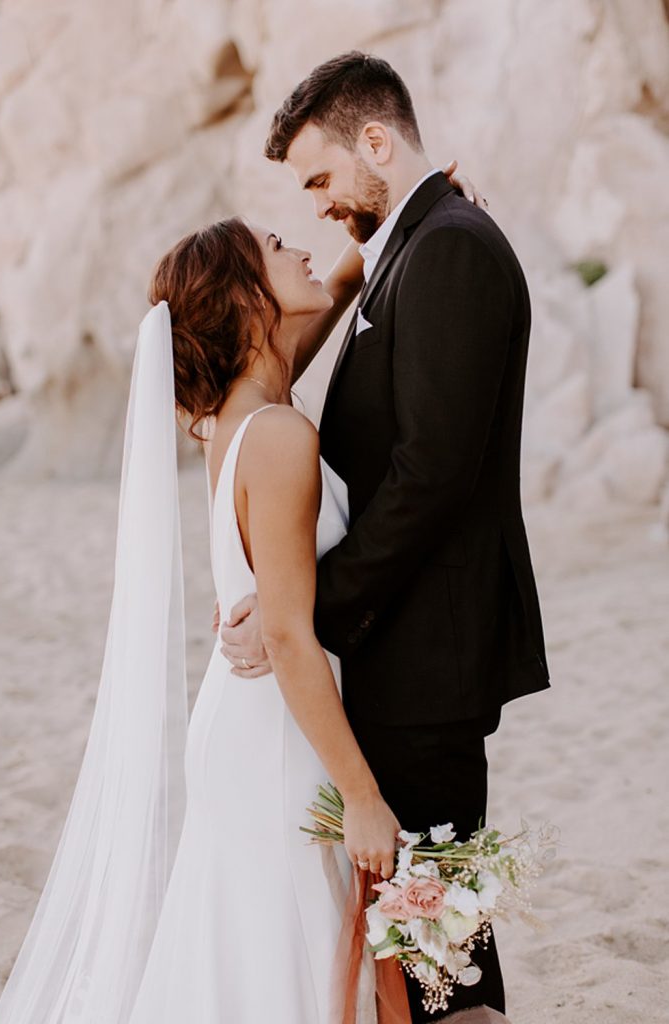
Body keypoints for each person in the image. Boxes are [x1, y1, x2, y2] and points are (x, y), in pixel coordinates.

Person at [0, 160, 484, 1021]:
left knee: (250, 948)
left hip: (243, 721)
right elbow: (289, 637)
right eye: (275, 247)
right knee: (282, 957)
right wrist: (363, 799)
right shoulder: (281, 435)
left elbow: (320, 300)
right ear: (247, 302)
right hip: (277, 730)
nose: (299, 249)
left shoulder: (233, 417)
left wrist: (404, 212)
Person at [218, 51, 550, 1022]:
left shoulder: (447, 247)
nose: (318, 204)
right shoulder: (414, 242)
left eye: (320, 176)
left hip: (426, 661)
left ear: (376, 141)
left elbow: (431, 476)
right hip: (398, 654)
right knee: (424, 947)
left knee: (444, 953)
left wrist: (307, 605)